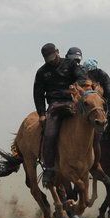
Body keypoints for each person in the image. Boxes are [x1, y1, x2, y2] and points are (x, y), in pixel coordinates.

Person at [33, 43, 88, 187]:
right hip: (55, 106)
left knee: (93, 123)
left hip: (73, 102)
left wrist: (75, 85)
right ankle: (49, 169)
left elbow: (82, 78)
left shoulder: (70, 64)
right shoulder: (42, 72)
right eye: (47, 59)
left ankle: (95, 162)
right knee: (49, 135)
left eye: (52, 56)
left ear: (57, 52)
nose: (51, 60)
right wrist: (41, 114)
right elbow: (38, 94)